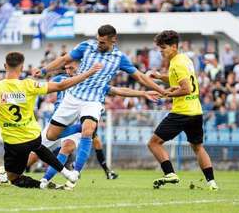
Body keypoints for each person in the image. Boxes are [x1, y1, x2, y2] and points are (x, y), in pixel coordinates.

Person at [33, 25, 164, 188]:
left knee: (88, 130)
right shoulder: (86, 46)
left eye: (102, 42)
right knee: (52, 136)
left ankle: (75, 173)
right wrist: (44, 70)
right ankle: (76, 132)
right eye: (98, 40)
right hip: (73, 97)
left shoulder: (119, 58)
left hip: (93, 101)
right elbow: (64, 59)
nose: (99, 44)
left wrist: (160, 90)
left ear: (113, 40)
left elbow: (139, 77)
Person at [0, 52, 102, 189]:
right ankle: (66, 173)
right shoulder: (29, 84)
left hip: (13, 142)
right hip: (32, 136)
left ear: (5, 66)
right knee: (39, 147)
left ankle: (41, 184)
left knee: (14, 178)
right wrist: (88, 73)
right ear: (22, 67)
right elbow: (60, 86)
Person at [27, 61, 160, 183]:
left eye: (71, 68)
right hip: (56, 122)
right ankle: (12, 173)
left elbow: (118, 90)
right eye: (66, 68)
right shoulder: (59, 79)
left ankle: (45, 181)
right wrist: (36, 77)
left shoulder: (93, 84)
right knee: (33, 156)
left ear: (81, 66)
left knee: (67, 147)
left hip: (76, 121)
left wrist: (142, 93)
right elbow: (43, 87)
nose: (68, 71)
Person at [148, 30, 218, 190]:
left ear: (173, 46)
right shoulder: (184, 59)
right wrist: (160, 76)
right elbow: (178, 78)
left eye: (163, 48)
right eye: (160, 49)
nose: (161, 52)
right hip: (196, 111)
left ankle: (170, 174)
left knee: (154, 143)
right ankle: (211, 183)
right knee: (198, 147)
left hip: (182, 112)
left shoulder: (177, 63)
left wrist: (166, 93)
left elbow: (186, 88)